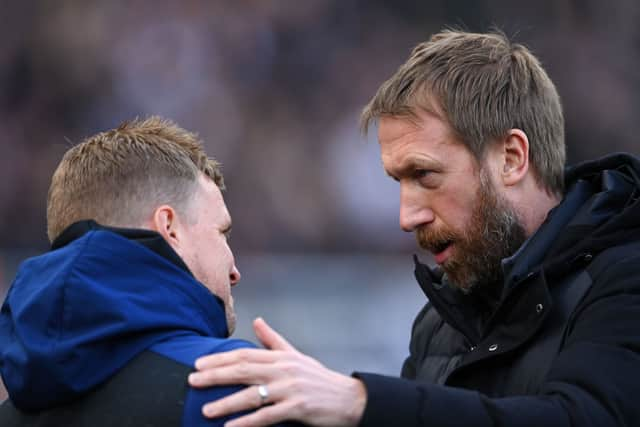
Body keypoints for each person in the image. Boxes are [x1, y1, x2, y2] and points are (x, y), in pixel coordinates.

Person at [186, 30, 640, 426]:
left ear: (511, 158)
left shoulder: (624, 278)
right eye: (398, 182)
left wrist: (361, 402)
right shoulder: (439, 320)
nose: (407, 217)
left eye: (425, 176)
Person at [0, 117, 298, 426]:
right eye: (222, 233)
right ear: (169, 227)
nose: (235, 270)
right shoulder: (236, 390)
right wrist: (352, 404)